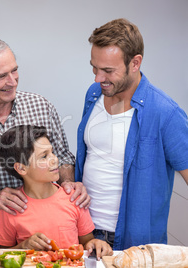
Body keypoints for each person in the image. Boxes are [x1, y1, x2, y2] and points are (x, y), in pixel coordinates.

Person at [0, 36, 90, 248]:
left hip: (49, 228)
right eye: (2, 76)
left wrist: (68, 184)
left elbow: (64, 156)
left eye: (14, 70)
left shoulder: (41, 107)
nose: (12, 81)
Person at [75, 18, 188, 250]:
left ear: (135, 63)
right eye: (94, 68)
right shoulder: (94, 94)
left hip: (129, 242)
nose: (97, 78)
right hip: (81, 232)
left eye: (108, 71)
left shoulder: (166, 113)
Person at [0, 125, 113, 259]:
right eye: (44, 156)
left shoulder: (73, 198)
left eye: (52, 152)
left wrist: (95, 243)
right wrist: (24, 246)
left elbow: (86, 242)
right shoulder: (12, 206)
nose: (55, 159)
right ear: (21, 168)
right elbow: (2, 254)